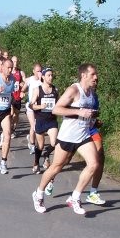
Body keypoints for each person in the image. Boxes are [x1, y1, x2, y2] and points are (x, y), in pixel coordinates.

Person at [32, 63, 101, 215]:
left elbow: (86, 114)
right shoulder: (74, 90)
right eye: (93, 75)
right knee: (56, 167)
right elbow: (56, 109)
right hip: (67, 136)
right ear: (84, 75)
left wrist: (93, 120)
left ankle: (75, 197)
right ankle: (38, 194)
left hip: (83, 135)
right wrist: (79, 112)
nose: (96, 77)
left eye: (96, 75)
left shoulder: (92, 93)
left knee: (94, 164)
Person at [29, 68, 58, 174]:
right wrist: (40, 106)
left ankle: (46, 154)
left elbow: (59, 103)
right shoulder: (38, 89)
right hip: (40, 120)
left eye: (52, 75)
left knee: (54, 142)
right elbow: (31, 105)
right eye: (49, 75)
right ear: (43, 77)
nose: (51, 77)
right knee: (40, 145)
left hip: (51, 120)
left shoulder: (55, 89)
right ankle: (36, 163)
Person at [21, 64, 43, 154]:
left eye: (40, 71)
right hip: (30, 106)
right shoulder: (30, 80)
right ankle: (33, 145)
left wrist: (42, 80)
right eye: (37, 71)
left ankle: (32, 140)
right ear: (33, 71)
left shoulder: (43, 80)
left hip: (40, 106)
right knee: (33, 126)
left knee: (38, 126)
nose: (39, 73)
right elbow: (23, 89)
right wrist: (22, 93)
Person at [10, 55, 26, 138]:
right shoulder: (8, 72)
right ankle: (8, 128)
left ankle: (13, 129)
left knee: (16, 114)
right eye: (13, 61)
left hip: (17, 96)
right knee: (11, 113)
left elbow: (25, 83)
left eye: (16, 61)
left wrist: (22, 86)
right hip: (10, 96)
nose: (15, 63)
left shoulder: (21, 72)